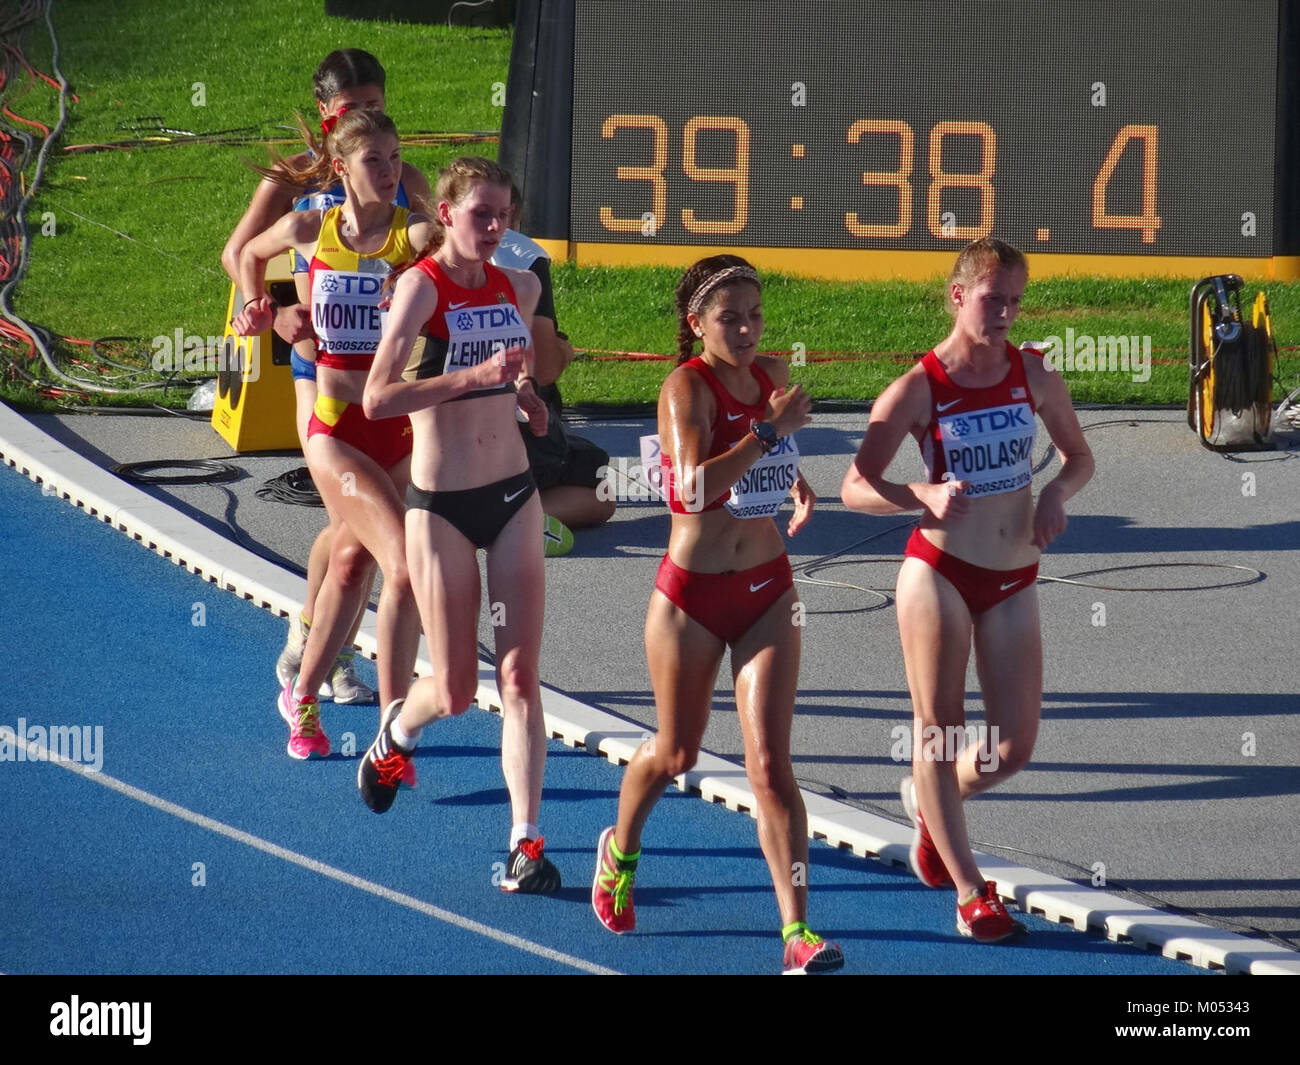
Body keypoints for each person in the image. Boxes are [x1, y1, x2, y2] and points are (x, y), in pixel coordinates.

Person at [589, 254, 844, 975]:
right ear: (697, 323)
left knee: (771, 766)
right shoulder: (685, 388)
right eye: (730, 318)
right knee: (678, 753)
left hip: (768, 590)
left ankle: (797, 932)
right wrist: (767, 435)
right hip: (692, 598)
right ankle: (620, 850)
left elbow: (766, 453)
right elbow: (693, 491)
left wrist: (794, 477)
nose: (747, 330)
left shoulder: (768, 377)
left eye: (755, 316)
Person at [840, 237, 1094, 942]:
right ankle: (970, 890)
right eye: (992, 299)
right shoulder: (918, 388)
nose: (1005, 312)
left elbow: (1079, 456)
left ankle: (932, 801)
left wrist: (1056, 493)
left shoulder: (1034, 373)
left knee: (1013, 747)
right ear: (958, 296)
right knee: (940, 728)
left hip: (1013, 575)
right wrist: (917, 492)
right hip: (939, 572)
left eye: (1015, 300)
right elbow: (854, 485)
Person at [359, 156, 561, 894]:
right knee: (454, 691)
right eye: (482, 213)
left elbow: (518, 372)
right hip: (441, 504)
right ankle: (395, 732)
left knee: (520, 676)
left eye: (504, 214)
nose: (496, 226)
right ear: (445, 213)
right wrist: (471, 379)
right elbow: (378, 398)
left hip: (512, 494)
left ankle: (525, 843)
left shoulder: (520, 286)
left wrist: (526, 398)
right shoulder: (420, 287)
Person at [221, 48, 432, 704]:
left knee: (351, 532)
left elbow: (439, 253)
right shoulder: (293, 181)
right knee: (358, 523)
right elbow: (239, 253)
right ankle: (329, 661)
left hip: (385, 375)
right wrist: (275, 309)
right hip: (318, 368)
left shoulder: (405, 178)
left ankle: (309, 643)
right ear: (324, 113)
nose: (364, 117)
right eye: (350, 110)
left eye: (375, 106)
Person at [491, 189, 614, 539]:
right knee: (600, 488)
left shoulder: (417, 263)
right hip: (495, 433)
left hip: (422, 442)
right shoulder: (520, 256)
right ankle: (500, 520)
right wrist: (563, 350)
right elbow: (543, 367)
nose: (493, 230)